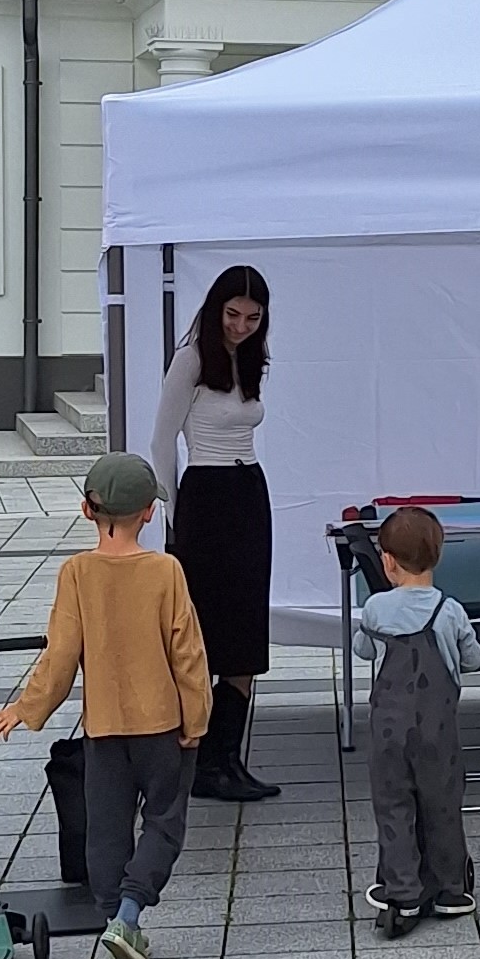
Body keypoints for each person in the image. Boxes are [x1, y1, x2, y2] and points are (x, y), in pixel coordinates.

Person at [0, 452, 210, 959]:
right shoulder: (165, 571)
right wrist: (196, 720)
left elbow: (60, 654)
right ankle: (128, 914)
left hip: (103, 730)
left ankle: (114, 921)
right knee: (164, 822)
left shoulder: (77, 573)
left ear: (86, 510)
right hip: (163, 727)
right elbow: (188, 653)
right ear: (149, 514)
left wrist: (25, 706)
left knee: (105, 831)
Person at [151, 265, 277, 802]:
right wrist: (177, 520)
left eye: (253, 318)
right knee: (207, 634)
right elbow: (161, 444)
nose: (241, 326)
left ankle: (228, 757)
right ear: (215, 309)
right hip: (207, 495)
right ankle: (202, 762)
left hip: (249, 493)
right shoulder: (192, 359)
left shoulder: (248, 359)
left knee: (248, 633)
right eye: (232, 314)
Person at [353, 506, 480, 938]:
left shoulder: (375, 608)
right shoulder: (450, 610)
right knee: (442, 805)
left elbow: (363, 651)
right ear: (438, 556)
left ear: (387, 561)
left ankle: (402, 889)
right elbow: (472, 658)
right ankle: (450, 890)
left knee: (393, 806)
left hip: (388, 730)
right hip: (437, 730)